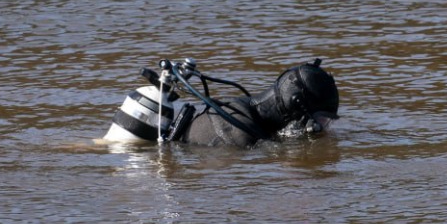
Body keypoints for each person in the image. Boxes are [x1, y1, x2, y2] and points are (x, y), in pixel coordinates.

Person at [104, 59, 340, 148]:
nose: (325, 126)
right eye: (323, 119)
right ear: (296, 106)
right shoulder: (238, 135)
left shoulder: (243, 108)